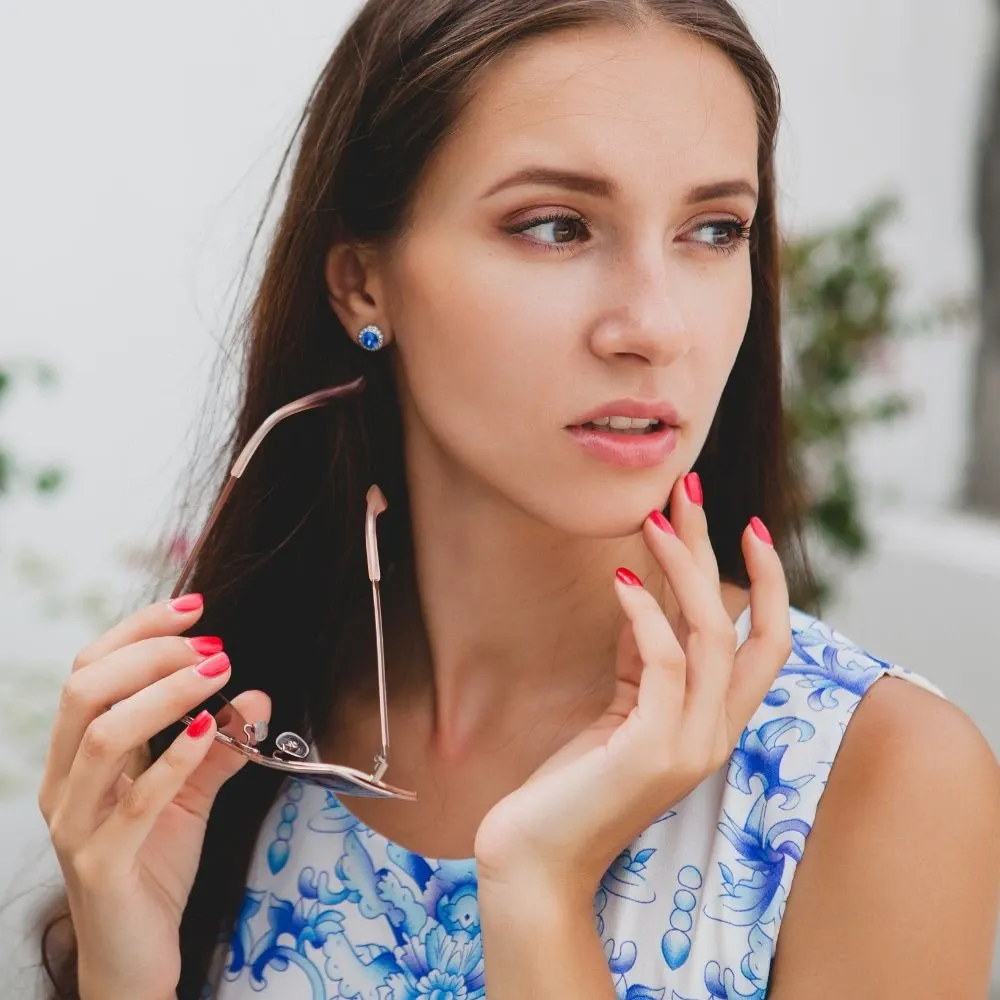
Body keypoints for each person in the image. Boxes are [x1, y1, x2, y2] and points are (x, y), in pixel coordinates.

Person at [34, 0, 1000, 997]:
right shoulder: (241, 734)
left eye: (713, 229)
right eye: (556, 226)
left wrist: (542, 890)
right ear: (362, 282)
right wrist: (126, 976)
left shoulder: (874, 779)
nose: (656, 325)